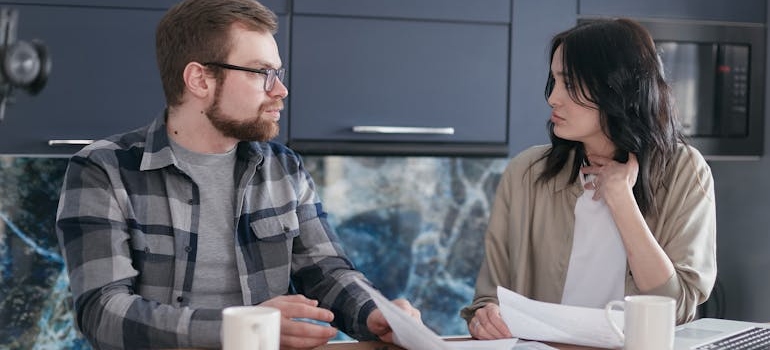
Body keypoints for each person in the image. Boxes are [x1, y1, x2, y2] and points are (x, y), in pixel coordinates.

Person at [55, 0, 420, 349]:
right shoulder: (102, 170)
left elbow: (326, 271)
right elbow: (103, 313)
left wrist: (377, 314)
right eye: (263, 73)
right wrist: (243, 327)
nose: (281, 90)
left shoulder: (283, 168)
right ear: (200, 80)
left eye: (279, 73)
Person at [460, 18, 717, 339]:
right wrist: (486, 317)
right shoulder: (526, 173)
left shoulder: (685, 171)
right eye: (553, 81)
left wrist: (621, 199)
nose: (553, 98)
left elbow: (675, 306)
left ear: (617, 88)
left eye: (569, 83)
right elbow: (487, 299)